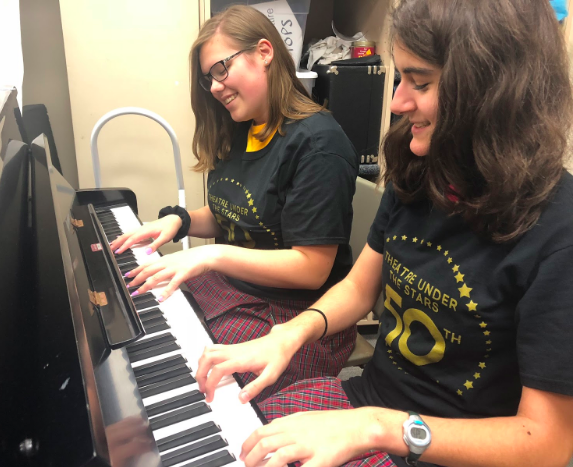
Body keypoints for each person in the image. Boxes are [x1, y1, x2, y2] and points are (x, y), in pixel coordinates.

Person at [195, 0, 573, 466]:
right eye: (400, 78)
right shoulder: (422, 172)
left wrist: (379, 427)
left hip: (444, 449)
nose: (396, 102)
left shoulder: (559, 231)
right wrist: (287, 335)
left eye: (422, 82)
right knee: (229, 432)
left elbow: (548, 443)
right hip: (370, 404)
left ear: (493, 87)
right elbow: (358, 287)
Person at [110, 5, 359, 401]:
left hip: (295, 313)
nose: (214, 87)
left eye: (221, 69)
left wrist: (211, 257)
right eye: (209, 77)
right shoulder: (245, 128)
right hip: (237, 291)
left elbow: (312, 268)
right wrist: (179, 221)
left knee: (193, 383)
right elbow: (234, 213)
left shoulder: (318, 145)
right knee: (147, 311)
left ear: (264, 52)